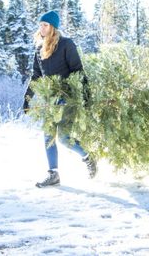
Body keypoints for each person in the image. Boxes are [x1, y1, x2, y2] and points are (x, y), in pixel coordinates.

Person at [23, 10, 97, 188]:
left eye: (45, 25)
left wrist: (86, 97)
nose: (41, 28)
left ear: (53, 27)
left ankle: (88, 157)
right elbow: (36, 76)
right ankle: (53, 174)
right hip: (50, 100)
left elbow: (78, 70)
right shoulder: (39, 49)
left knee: (64, 138)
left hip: (67, 98)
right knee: (48, 137)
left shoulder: (66, 44)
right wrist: (27, 99)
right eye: (40, 24)